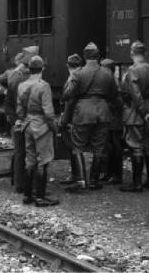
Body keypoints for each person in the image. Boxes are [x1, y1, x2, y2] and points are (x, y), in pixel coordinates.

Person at [62, 42, 119, 190]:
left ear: (84, 56)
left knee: (77, 145)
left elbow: (67, 94)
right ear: (98, 56)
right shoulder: (107, 73)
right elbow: (114, 95)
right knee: (99, 147)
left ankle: (81, 180)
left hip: (83, 112)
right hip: (103, 112)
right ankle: (94, 181)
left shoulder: (78, 73)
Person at [17, 55, 59, 207]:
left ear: (29, 69)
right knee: (44, 160)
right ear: (42, 69)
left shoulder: (22, 85)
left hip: (27, 124)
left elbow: (19, 109)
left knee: (30, 160)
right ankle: (40, 197)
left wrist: (23, 121)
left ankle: (28, 195)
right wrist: (54, 128)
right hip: (41, 126)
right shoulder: (44, 86)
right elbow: (48, 113)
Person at [120, 40, 149, 192]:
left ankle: (136, 184)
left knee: (136, 146)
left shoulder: (132, 70)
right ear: (144, 53)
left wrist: (144, 113)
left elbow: (136, 95)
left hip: (136, 114)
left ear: (132, 53)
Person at [58, 53, 86, 190]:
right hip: (79, 114)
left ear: (68, 66)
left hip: (73, 116)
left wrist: (64, 120)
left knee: (75, 147)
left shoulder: (73, 78)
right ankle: (76, 176)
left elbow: (69, 101)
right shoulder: (83, 75)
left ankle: (80, 178)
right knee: (74, 147)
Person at [5, 51, 30, 193]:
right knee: (32, 153)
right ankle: (29, 185)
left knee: (19, 152)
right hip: (30, 122)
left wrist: (14, 120)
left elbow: (7, 103)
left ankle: (18, 183)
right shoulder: (31, 82)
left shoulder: (13, 79)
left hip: (17, 121)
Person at [99, 58, 124, 185]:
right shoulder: (111, 81)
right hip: (111, 118)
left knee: (116, 147)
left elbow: (119, 102)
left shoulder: (113, 82)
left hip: (115, 118)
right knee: (110, 146)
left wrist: (106, 104)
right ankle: (109, 173)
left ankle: (116, 175)